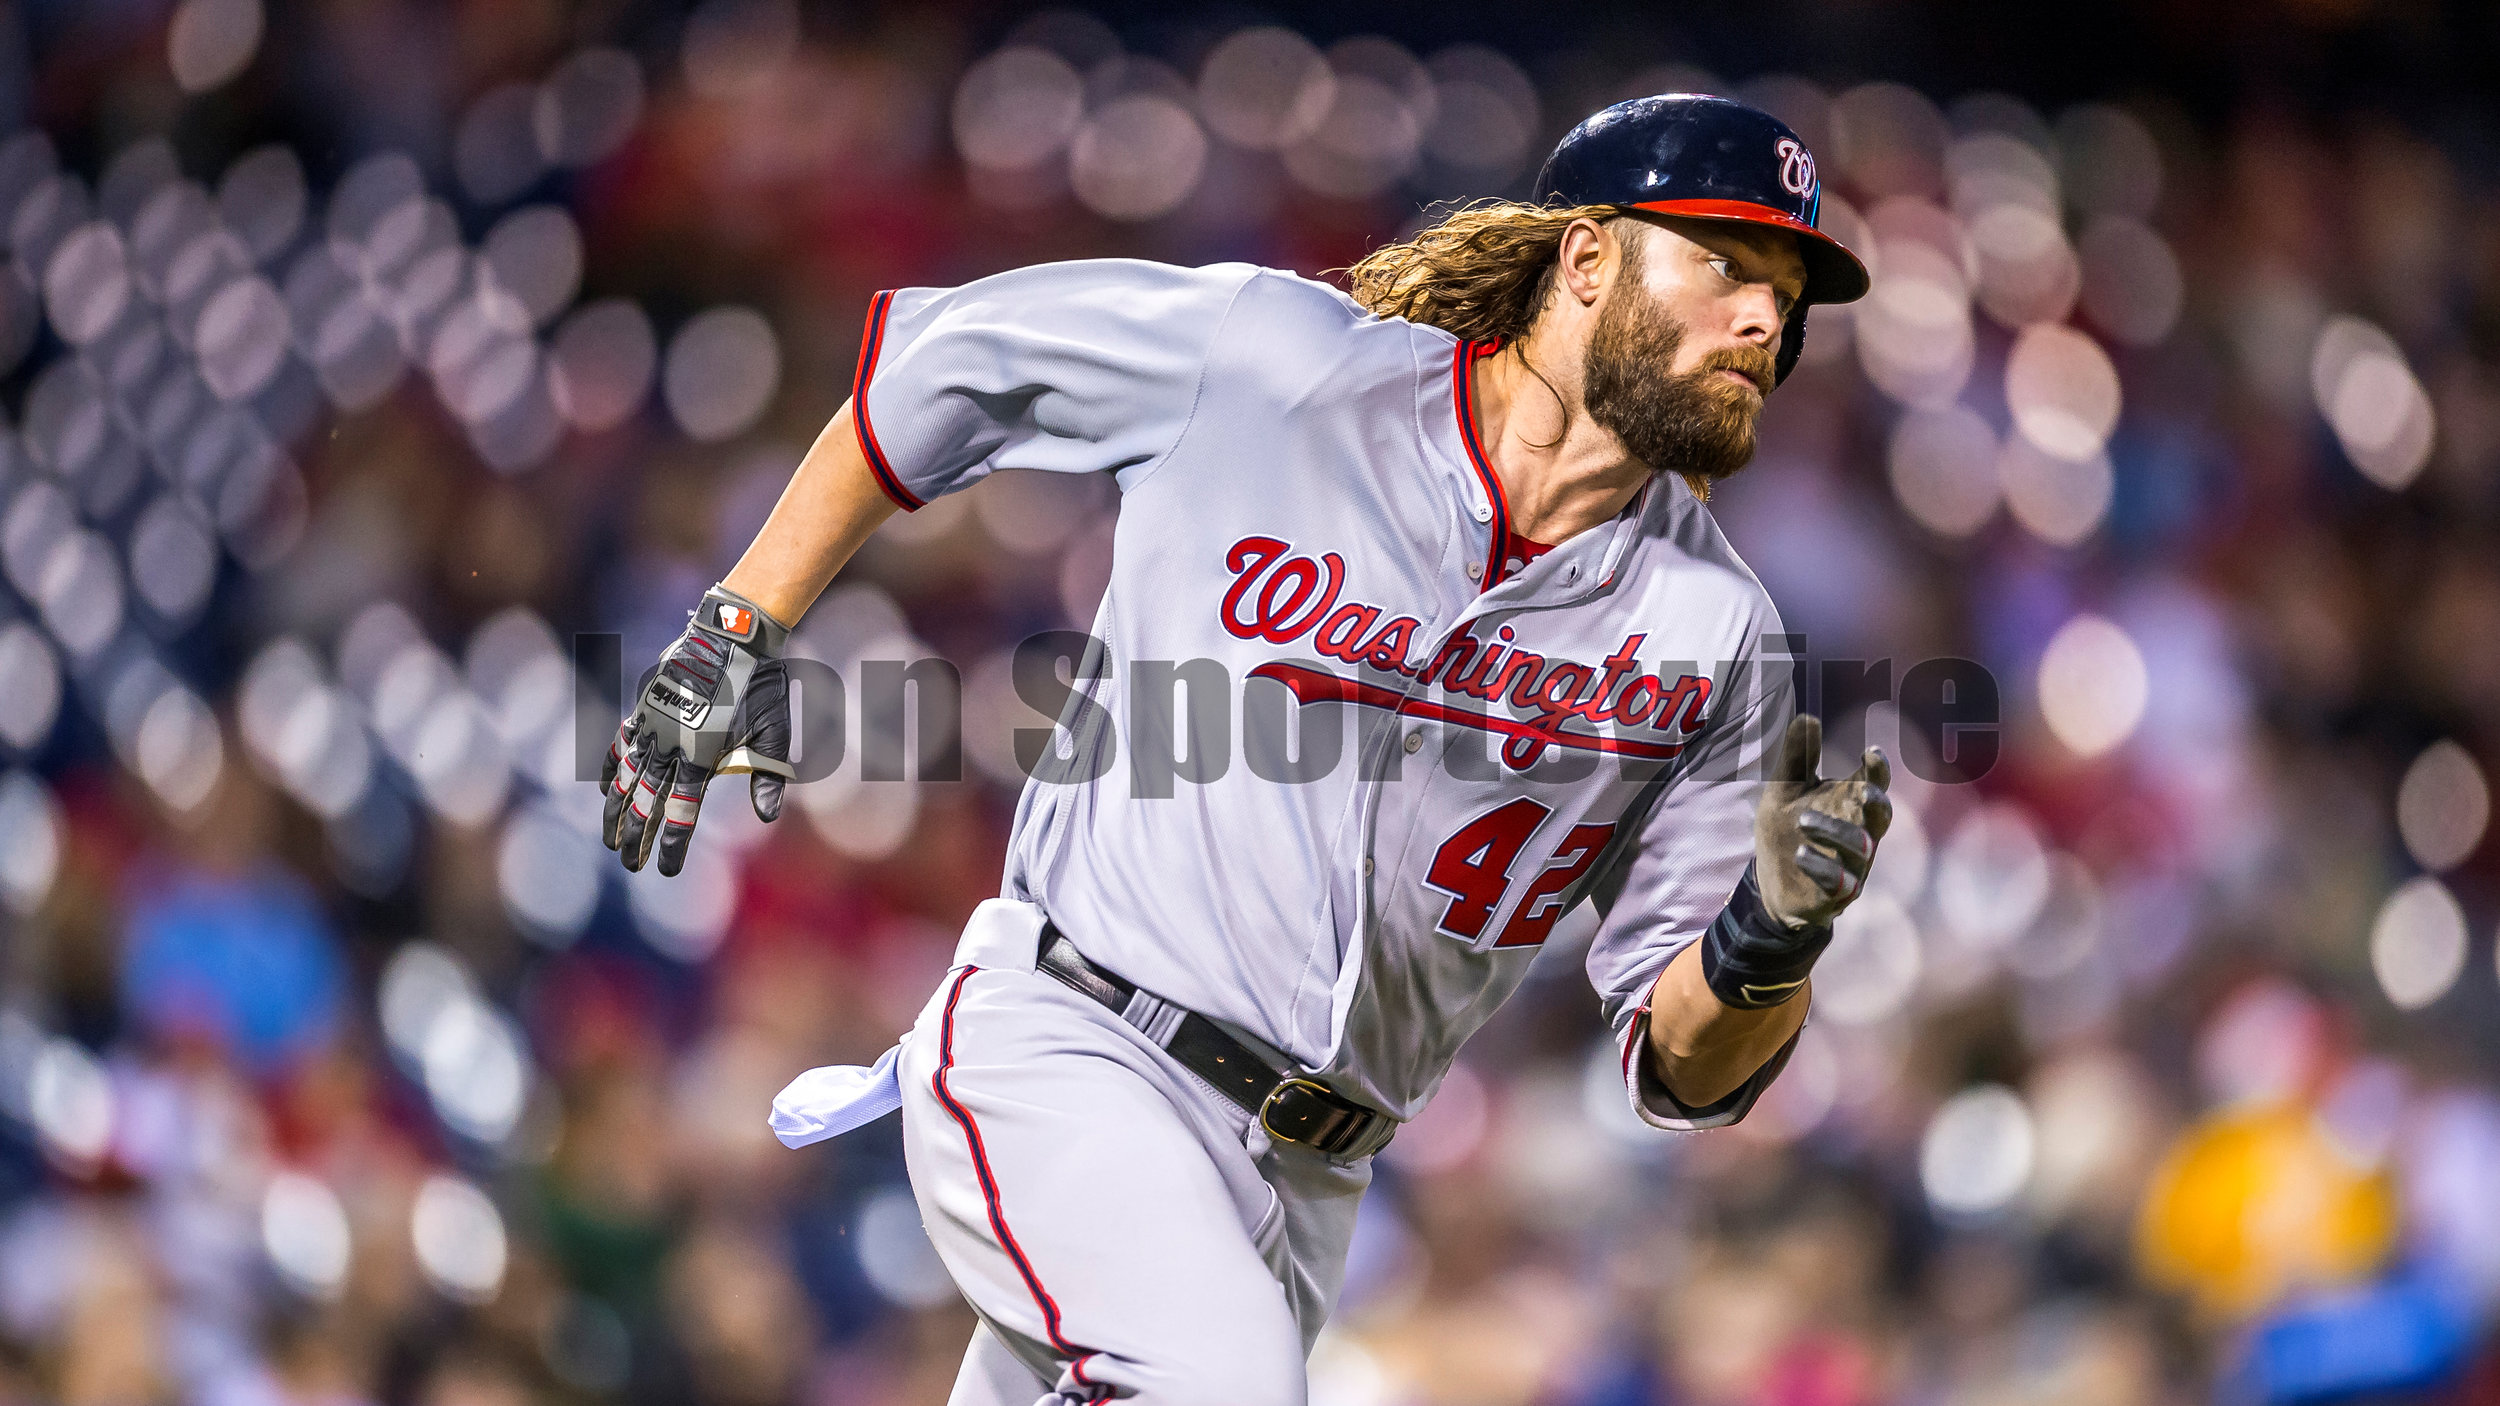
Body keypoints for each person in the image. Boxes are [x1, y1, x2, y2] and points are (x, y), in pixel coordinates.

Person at [601, 93, 1893, 1404]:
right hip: (1078, 1041)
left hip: (1309, 1181)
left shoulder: (1714, 629)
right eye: (1727, 263)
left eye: (1788, 296)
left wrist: (1765, 941)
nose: (1763, 320)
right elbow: (945, 366)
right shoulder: (1279, 361)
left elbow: (1678, 1069)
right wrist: (737, 625)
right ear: (1586, 258)